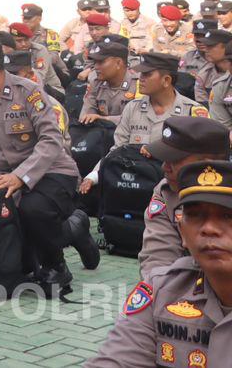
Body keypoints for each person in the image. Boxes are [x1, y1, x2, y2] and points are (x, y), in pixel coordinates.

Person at [0, 38, 99, 292]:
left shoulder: (29, 92)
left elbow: (52, 141)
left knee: (32, 210)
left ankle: (57, 266)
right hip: (6, 175)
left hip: (53, 171)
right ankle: (67, 231)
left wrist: (20, 177)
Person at [84, 158, 232, 368]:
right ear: (181, 231)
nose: (209, 228)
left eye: (228, 215)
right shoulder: (161, 290)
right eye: (195, 215)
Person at [80, 52, 209, 195]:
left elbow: (200, 158)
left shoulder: (192, 111)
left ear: (166, 80)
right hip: (133, 182)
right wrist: (94, 175)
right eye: (141, 74)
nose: (140, 79)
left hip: (173, 186)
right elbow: (118, 149)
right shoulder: (132, 108)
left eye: (147, 75)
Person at [138, 116, 232, 279]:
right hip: (187, 290)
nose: (164, 167)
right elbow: (157, 261)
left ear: (207, 164)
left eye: (175, 159)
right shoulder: (166, 191)